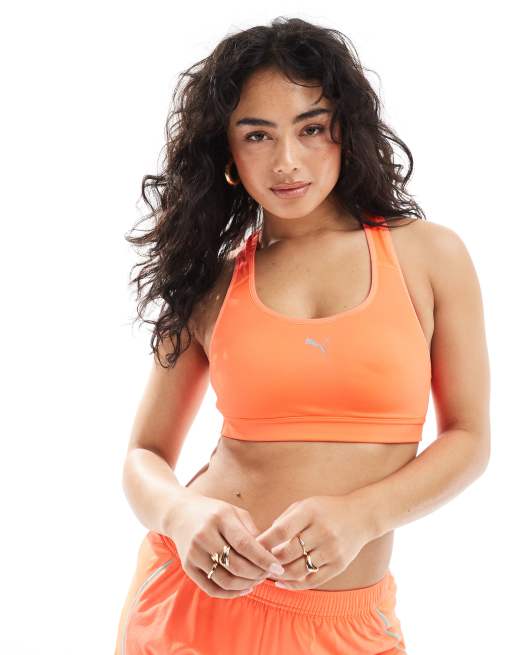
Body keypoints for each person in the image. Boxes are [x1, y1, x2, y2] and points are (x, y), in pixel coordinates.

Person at [115, 17, 490, 655]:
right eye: (257, 135)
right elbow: (143, 455)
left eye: (311, 128)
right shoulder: (211, 283)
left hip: (346, 626)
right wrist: (180, 515)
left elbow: (470, 439)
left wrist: (365, 513)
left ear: (347, 129)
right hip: (193, 610)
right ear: (227, 154)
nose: (286, 161)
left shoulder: (429, 257)